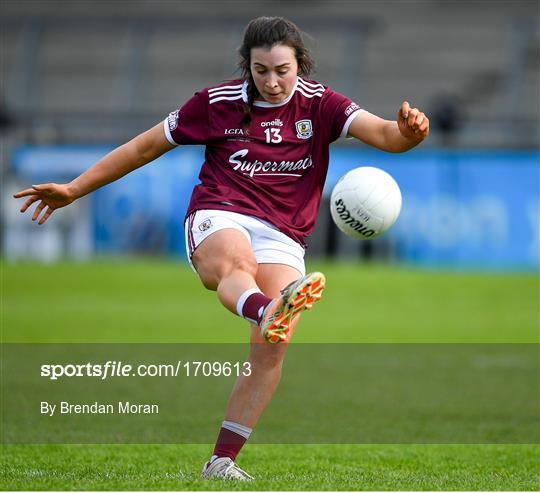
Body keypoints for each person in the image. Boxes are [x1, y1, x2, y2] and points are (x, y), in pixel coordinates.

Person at [14, 16, 429, 480]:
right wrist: (74, 189)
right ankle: (265, 310)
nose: (271, 82)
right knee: (239, 265)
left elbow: (386, 135)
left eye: (282, 70)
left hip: (285, 232)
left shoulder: (322, 105)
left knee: (273, 346)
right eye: (260, 71)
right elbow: (143, 148)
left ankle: (222, 461)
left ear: (300, 64)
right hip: (220, 212)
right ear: (246, 66)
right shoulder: (215, 104)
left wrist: (409, 133)